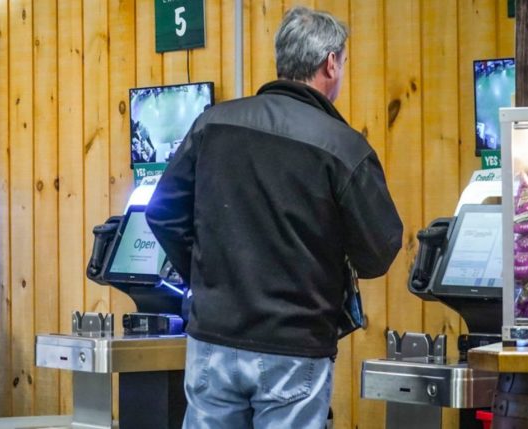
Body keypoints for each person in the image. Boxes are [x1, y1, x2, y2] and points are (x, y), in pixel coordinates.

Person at [145, 7, 403, 429]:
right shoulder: (343, 148)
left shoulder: (212, 124)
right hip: (294, 345)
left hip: (212, 338)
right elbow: (379, 252)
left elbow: (162, 211)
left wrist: (206, 276)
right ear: (331, 62)